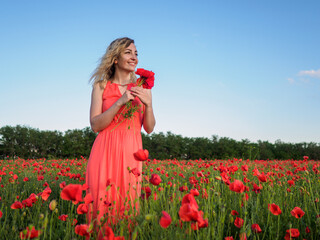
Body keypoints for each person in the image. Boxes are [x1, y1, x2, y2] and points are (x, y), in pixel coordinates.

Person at [85, 37, 155, 235]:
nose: (134, 57)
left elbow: (149, 128)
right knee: (100, 210)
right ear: (115, 58)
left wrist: (148, 105)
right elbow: (95, 124)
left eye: (136, 53)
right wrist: (120, 102)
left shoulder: (143, 88)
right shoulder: (100, 86)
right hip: (103, 152)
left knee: (127, 210)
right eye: (128, 52)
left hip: (131, 155)